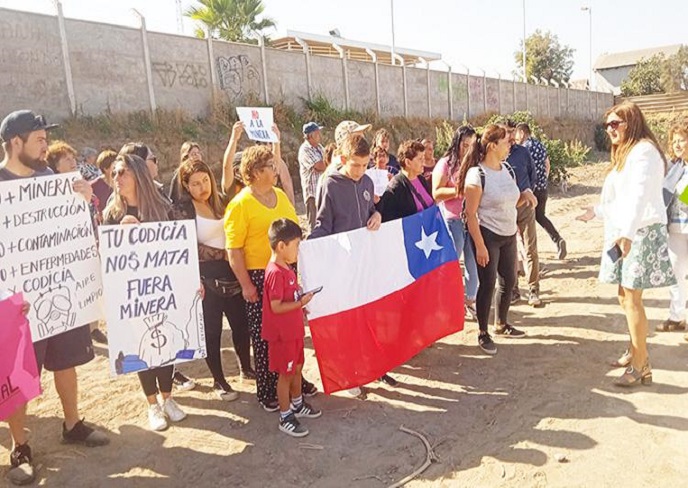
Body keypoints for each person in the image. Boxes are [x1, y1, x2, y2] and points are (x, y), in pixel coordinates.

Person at [0, 110, 109, 486]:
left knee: (66, 363)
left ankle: (72, 423)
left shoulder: (53, 181)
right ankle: (20, 446)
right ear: (16, 142)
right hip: (15, 304)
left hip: (59, 295)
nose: (46, 145)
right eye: (39, 139)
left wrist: (83, 197)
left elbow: (75, 230)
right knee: (18, 374)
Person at [577, 101, 675, 386]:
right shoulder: (628, 152)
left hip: (639, 231)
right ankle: (635, 351)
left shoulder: (643, 152)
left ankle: (641, 365)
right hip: (627, 230)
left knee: (632, 300)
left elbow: (639, 197)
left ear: (631, 122)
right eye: (607, 125)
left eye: (615, 124)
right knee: (624, 297)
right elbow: (619, 199)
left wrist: (628, 233)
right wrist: (596, 211)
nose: (610, 130)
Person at [225, 145, 317, 411]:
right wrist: (246, 285)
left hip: (286, 270)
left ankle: (293, 382)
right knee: (266, 337)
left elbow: (294, 229)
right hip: (258, 277)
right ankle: (268, 390)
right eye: (270, 166)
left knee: (289, 331)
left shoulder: (279, 195)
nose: (275, 170)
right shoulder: (240, 204)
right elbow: (234, 250)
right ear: (254, 172)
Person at [103, 153, 189, 428]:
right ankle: (152, 404)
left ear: (138, 175)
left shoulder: (164, 208)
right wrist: (121, 232)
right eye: (114, 173)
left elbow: (180, 248)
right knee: (141, 347)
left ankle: (168, 397)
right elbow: (107, 256)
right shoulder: (112, 213)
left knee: (167, 342)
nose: (116, 178)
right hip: (133, 295)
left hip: (164, 289)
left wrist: (189, 281)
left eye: (122, 172)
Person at [170, 158, 254, 399]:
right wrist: (224, 254)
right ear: (186, 186)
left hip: (232, 273)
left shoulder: (221, 202)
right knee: (212, 331)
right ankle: (219, 381)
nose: (202, 187)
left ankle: (245, 368)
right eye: (195, 183)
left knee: (241, 325)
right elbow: (184, 246)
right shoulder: (182, 210)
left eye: (205, 180)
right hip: (204, 277)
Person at [310, 133, 385, 394]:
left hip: (361, 264)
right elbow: (321, 224)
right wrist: (310, 253)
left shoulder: (366, 182)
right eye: (356, 165)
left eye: (365, 165)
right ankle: (346, 375)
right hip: (338, 266)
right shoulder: (329, 184)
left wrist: (377, 214)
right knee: (344, 322)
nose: (361, 171)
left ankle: (362, 369)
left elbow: (368, 212)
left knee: (362, 318)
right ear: (343, 159)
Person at [459, 124, 526, 355]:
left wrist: (524, 196)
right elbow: (471, 214)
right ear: (493, 145)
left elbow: (508, 200)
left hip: (508, 234)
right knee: (487, 284)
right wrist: (479, 246)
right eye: (506, 141)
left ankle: (501, 323)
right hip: (488, 235)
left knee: (509, 280)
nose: (510, 145)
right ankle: (482, 332)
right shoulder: (476, 175)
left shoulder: (506, 168)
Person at [46, 140, 109, 345]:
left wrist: (88, 196)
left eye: (73, 157)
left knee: (89, 285)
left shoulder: (82, 184)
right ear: (56, 166)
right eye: (67, 159)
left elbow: (94, 210)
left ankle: (93, 328)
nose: (73, 161)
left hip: (87, 244)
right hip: (63, 251)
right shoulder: (48, 190)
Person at [263, 218, 322, 437]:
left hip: (294, 331)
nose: (299, 250)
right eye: (296, 244)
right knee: (285, 374)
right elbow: (276, 306)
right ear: (281, 246)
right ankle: (285, 415)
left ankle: (297, 403)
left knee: (297, 368)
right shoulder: (275, 273)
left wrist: (299, 303)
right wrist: (301, 303)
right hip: (283, 336)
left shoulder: (286, 267)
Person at [432, 126, 480, 320]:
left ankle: (469, 301)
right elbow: (436, 193)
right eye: (464, 144)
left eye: (471, 145)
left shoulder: (475, 164)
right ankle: (446, 300)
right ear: (457, 142)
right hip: (453, 219)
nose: (467, 149)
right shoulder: (446, 164)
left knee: (473, 262)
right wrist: (458, 191)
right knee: (452, 263)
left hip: (473, 218)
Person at [515, 123, 567, 260]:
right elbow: (547, 164)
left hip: (529, 191)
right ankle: (558, 240)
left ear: (521, 132)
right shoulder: (539, 144)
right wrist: (543, 180)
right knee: (541, 217)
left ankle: (525, 256)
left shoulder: (523, 149)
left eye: (516, 133)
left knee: (525, 224)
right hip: (542, 189)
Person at [503, 121, 542, 307]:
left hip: (525, 205)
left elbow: (532, 175)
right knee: (510, 250)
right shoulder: (495, 156)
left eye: (512, 133)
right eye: (507, 134)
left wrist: (527, 193)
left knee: (530, 247)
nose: (511, 138)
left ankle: (533, 289)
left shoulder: (523, 152)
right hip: (506, 208)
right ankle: (513, 290)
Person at [660, 121, 688, 336]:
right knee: (676, 273)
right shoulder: (675, 167)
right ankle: (676, 316)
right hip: (676, 227)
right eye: (675, 141)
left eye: (682, 140)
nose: (678, 144)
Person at [378, 140, 434, 221]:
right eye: (420, 159)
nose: (423, 162)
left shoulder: (421, 179)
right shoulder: (396, 187)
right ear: (408, 162)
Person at [298, 122, 326, 232]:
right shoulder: (305, 149)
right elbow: (320, 165)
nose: (320, 135)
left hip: (321, 191)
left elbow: (326, 162)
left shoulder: (319, 147)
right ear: (311, 135)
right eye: (317, 133)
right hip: (312, 193)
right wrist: (327, 163)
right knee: (314, 226)